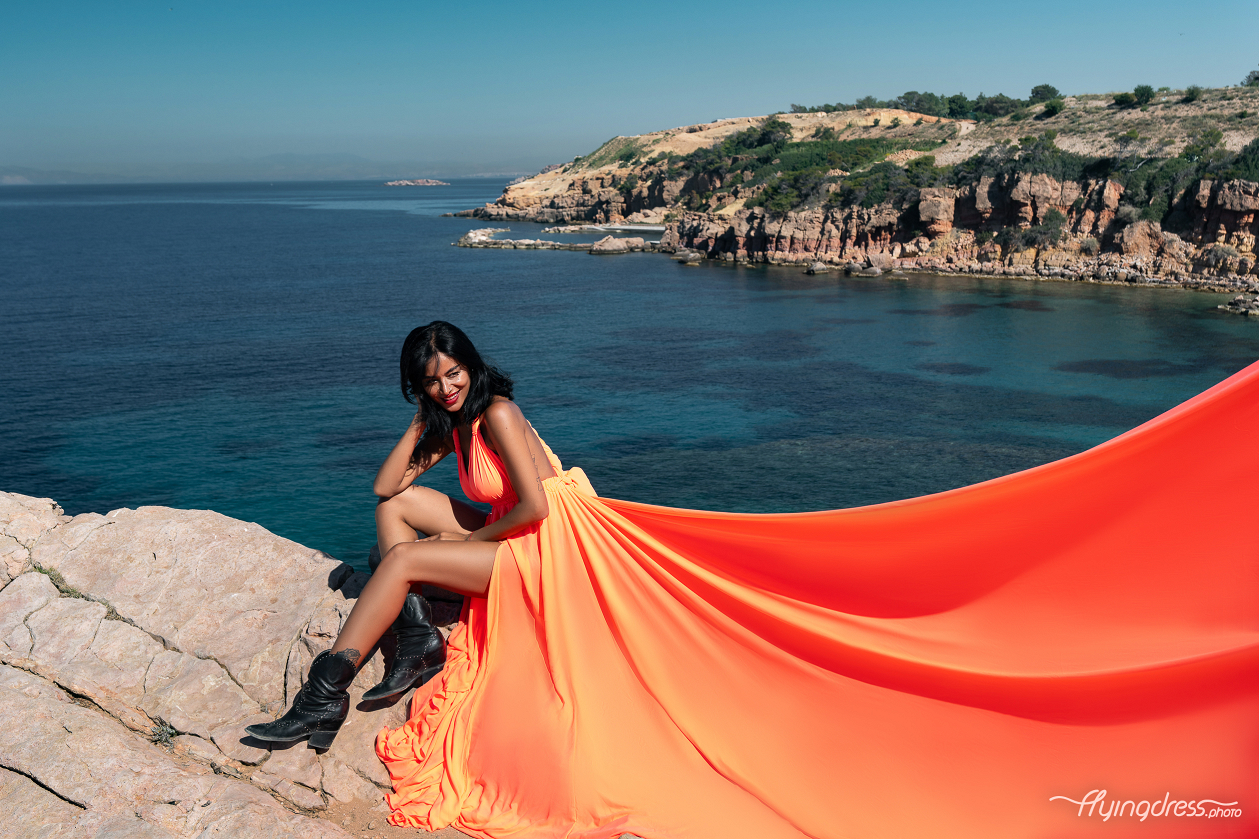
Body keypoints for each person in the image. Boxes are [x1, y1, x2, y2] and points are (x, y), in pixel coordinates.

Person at [249, 321, 1259, 839]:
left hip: (548, 550)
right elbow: (385, 484)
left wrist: (472, 506)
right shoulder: (449, 423)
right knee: (394, 516)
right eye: (430, 378)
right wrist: (423, 429)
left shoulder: (500, 414)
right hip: (510, 531)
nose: (446, 384)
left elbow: (538, 511)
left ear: (473, 363)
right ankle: (415, 639)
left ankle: (323, 692)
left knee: (415, 548)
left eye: (451, 371)